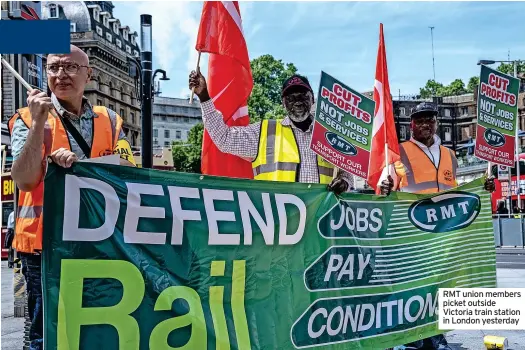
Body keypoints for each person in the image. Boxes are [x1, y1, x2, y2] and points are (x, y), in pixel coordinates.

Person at [9, 45, 135, 350]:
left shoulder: (111, 120)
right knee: (45, 335)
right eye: (53, 68)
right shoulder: (26, 118)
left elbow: (130, 171)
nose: (61, 75)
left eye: (70, 67)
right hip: (44, 248)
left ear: (88, 74)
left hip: (100, 244)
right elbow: (24, 180)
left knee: (96, 328)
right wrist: (40, 123)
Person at [380, 102, 494, 350]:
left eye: (429, 120)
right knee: (414, 287)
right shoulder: (398, 153)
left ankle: (435, 334)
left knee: (440, 287)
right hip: (412, 234)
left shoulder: (450, 155)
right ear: (411, 124)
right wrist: (385, 187)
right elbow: (384, 190)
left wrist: (483, 187)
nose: (424, 125)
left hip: (442, 236)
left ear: (436, 123)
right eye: (419, 120)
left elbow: (455, 192)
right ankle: (413, 337)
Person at [188, 71, 353, 192]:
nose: (297, 100)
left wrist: (345, 181)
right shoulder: (263, 132)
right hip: (278, 227)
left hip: (319, 225)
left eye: (302, 95)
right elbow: (223, 138)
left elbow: (348, 170)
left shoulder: (330, 135)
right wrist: (204, 96)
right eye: (290, 97)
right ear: (283, 103)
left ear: (313, 99)